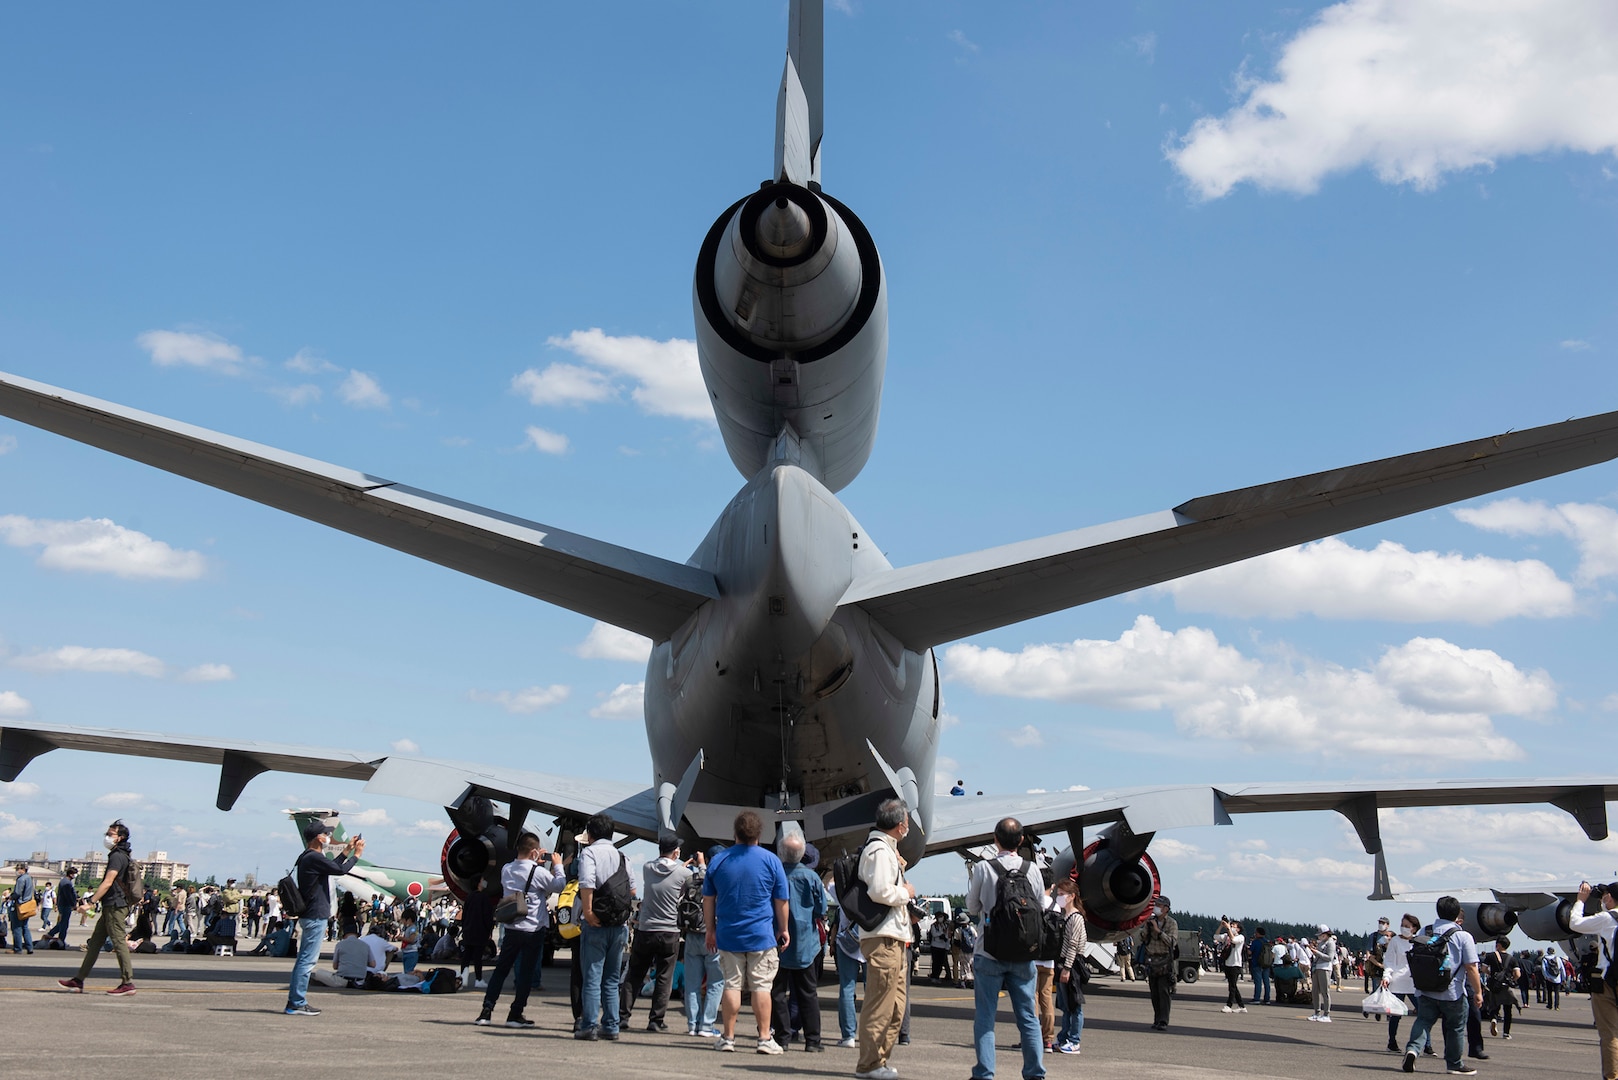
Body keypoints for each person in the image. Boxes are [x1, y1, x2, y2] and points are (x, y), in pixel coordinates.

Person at [702, 811, 789, 1055]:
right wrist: (783, 929)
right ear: (759, 834)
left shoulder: (719, 861)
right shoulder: (772, 861)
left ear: (735, 833)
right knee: (762, 986)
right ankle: (763, 1038)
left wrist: (710, 929)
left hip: (729, 934)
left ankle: (728, 1037)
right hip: (761, 935)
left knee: (731, 985)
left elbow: (708, 899)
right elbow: (781, 900)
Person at [967, 816, 1044, 1080]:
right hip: (1023, 953)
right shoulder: (1031, 869)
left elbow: (973, 907)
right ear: (1021, 840)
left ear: (995, 839)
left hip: (989, 950)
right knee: (1028, 1017)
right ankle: (1034, 1072)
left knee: (986, 1016)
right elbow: (1041, 906)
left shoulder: (983, 868)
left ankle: (985, 1072)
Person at [474, 832, 565, 1028]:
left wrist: (535, 862)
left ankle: (486, 1011)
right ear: (534, 852)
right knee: (525, 973)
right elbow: (559, 886)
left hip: (512, 927)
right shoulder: (539, 873)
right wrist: (557, 866)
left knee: (501, 970)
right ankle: (515, 1013)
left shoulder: (507, 869)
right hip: (533, 928)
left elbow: (525, 874)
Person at [855, 798, 917, 1080]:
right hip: (882, 938)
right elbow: (879, 890)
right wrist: (906, 892)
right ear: (899, 825)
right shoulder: (879, 850)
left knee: (895, 1006)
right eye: (906, 823)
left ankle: (879, 1059)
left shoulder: (888, 849)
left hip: (894, 937)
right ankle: (869, 1064)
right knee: (880, 1004)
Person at [284, 820, 363, 1016]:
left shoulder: (309, 857)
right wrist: (357, 856)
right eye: (326, 834)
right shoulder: (313, 857)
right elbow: (340, 870)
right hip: (315, 914)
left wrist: (347, 850)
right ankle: (297, 1001)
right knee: (307, 961)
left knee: (304, 959)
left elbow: (332, 866)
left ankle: (296, 1001)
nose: (328, 837)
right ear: (319, 837)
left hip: (311, 914)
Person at [1400, 896, 1483, 1076]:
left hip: (1425, 988)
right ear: (1457, 914)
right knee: (1455, 1027)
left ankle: (1413, 1050)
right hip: (1451, 991)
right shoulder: (1463, 936)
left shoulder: (1425, 930)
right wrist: (1478, 992)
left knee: (1423, 1021)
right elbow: (1471, 967)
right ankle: (1454, 1063)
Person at [58, 821, 138, 994]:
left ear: (120, 838)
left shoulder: (117, 856)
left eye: (111, 834)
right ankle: (79, 980)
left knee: (118, 942)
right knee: (95, 943)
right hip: (111, 905)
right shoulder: (122, 855)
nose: (107, 837)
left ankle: (127, 982)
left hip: (115, 906)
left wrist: (91, 902)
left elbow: (108, 881)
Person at [621, 833, 691, 1032]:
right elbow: (692, 879)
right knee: (664, 977)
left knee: (634, 974)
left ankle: (622, 1017)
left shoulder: (648, 867)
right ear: (676, 851)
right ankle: (656, 1020)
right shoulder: (683, 873)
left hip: (646, 929)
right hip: (669, 931)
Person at [576, 812, 635, 1040]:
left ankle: (589, 1025)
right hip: (619, 923)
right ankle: (611, 1025)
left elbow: (587, 883)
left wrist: (589, 912)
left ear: (590, 834)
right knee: (611, 978)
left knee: (592, 976)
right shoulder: (622, 856)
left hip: (596, 923)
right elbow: (631, 890)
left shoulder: (589, 853)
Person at [770, 832, 827, 1052]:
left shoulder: (775, 875)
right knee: (808, 993)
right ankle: (813, 1040)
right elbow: (821, 909)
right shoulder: (812, 878)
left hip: (777, 942)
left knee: (777, 992)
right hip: (805, 943)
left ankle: (782, 1037)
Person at [1570, 881, 1618, 1080]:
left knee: (1610, 1033)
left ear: (1608, 897)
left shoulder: (1606, 918)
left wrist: (1581, 901)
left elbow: (1575, 924)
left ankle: (1612, 1075)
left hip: (1608, 981)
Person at [680, 849, 723, 1037]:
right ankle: (706, 1025)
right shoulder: (721, 880)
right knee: (716, 982)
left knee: (692, 983)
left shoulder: (690, 879)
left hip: (691, 934)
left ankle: (692, 1024)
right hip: (713, 935)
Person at [1052, 880, 1087, 1055]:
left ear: (1072, 896)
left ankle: (1074, 1041)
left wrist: (1067, 968)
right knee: (1065, 1006)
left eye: (1062, 894)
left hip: (1071, 964)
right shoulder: (1064, 916)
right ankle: (1063, 1037)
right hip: (1061, 962)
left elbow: (1074, 945)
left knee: (1075, 1006)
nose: (1059, 898)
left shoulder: (1076, 918)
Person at [1140, 896, 1179, 1031]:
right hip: (1151, 960)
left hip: (1164, 961)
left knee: (1164, 992)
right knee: (1154, 992)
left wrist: (1158, 931)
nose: (1156, 907)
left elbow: (1172, 942)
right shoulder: (1151, 921)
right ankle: (1156, 1018)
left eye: (1159, 905)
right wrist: (1146, 927)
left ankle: (1163, 1020)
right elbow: (1142, 938)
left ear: (1166, 909)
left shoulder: (1171, 923)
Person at [459, 875, 495, 988]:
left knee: (467, 956)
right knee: (477, 957)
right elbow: (487, 916)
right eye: (483, 880)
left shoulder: (469, 897)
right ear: (479, 883)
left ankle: (462, 977)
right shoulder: (484, 898)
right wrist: (489, 929)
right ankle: (478, 979)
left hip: (469, 931)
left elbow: (464, 916)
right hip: (480, 932)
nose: (484, 882)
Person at [1480, 937, 1518, 1041]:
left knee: (1494, 1005)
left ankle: (1494, 1019)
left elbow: (1483, 969)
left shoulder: (1490, 956)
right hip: (1506, 986)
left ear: (1499, 945)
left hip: (1494, 985)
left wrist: (1490, 975)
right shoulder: (1512, 958)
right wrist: (1511, 980)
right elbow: (1517, 974)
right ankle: (1506, 1033)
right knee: (1508, 1009)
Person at [1216, 917, 1247, 1013]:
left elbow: (1234, 940)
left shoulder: (1241, 937)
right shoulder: (1226, 936)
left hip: (1235, 964)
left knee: (1232, 987)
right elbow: (1216, 936)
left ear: (1238, 929)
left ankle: (1229, 1005)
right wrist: (1221, 926)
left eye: (1234, 926)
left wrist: (1229, 928)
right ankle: (1241, 1006)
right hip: (1227, 963)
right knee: (1233, 985)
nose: (1231, 926)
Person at [1308, 924, 1336, 1021]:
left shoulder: (1331, 943)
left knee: (1325, 991)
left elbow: (1329, 958)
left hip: (1325, 968)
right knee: (1315, 991)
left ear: (1325, 934)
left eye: (1320, 934)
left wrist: (1317, 953)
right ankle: (1316, 1012)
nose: (1319, 936)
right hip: (1317, 967)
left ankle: (1326, 1014)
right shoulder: (1321, 943)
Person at [9, 862, 36, 954]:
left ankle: (17, 948)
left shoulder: (21, 879)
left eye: (18, 869)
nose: (17, 871)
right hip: (28, 904)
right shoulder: (29, 878)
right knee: (25, 927)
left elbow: (17, 893)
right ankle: (30, 947)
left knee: (16, 927)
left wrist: (10, 897)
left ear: (23, 869)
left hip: (20, 905)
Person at [48, 867, 77, 946]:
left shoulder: (66, 881)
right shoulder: (66, 883)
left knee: (62, 923)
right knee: (64, 924)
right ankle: (60, 940)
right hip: (65, 905)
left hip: (64, 904)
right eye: (75, 874)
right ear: (71, 874)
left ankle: (51, 934)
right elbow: (68, 895)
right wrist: (73, 904)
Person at [1249, 925, 1271, 1005]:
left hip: (1257, 963)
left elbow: (1250, 952)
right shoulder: (1267, 942)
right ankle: (1267, 999)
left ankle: (1257, 998)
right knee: (1266, 982)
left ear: (1258, 933)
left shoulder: (1255, 942)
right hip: (1266, 964)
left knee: (1258, 982)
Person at [1543, 945, 1564, 1010]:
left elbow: (1543, 969)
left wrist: (1546, 976)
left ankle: (1550, 1005)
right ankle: (1556, 1005)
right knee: (1557, 992)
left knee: (1549, 992)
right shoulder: (1558, 959)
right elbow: (1562, 968)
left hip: (1549, 978)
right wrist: (1563, 978)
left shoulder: (1545, 959)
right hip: (1557, 978)